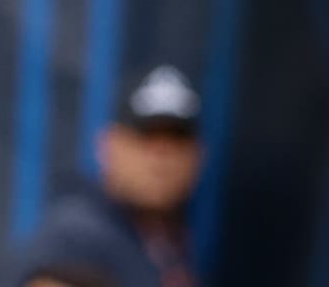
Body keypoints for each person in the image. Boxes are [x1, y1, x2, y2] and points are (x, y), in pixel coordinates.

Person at [11, 65, 204, 287]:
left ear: (199, 155)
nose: (161, 155)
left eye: (177, 137)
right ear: (108, 146)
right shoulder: (76, 237)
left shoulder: (168, 240)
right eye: (145, 135)